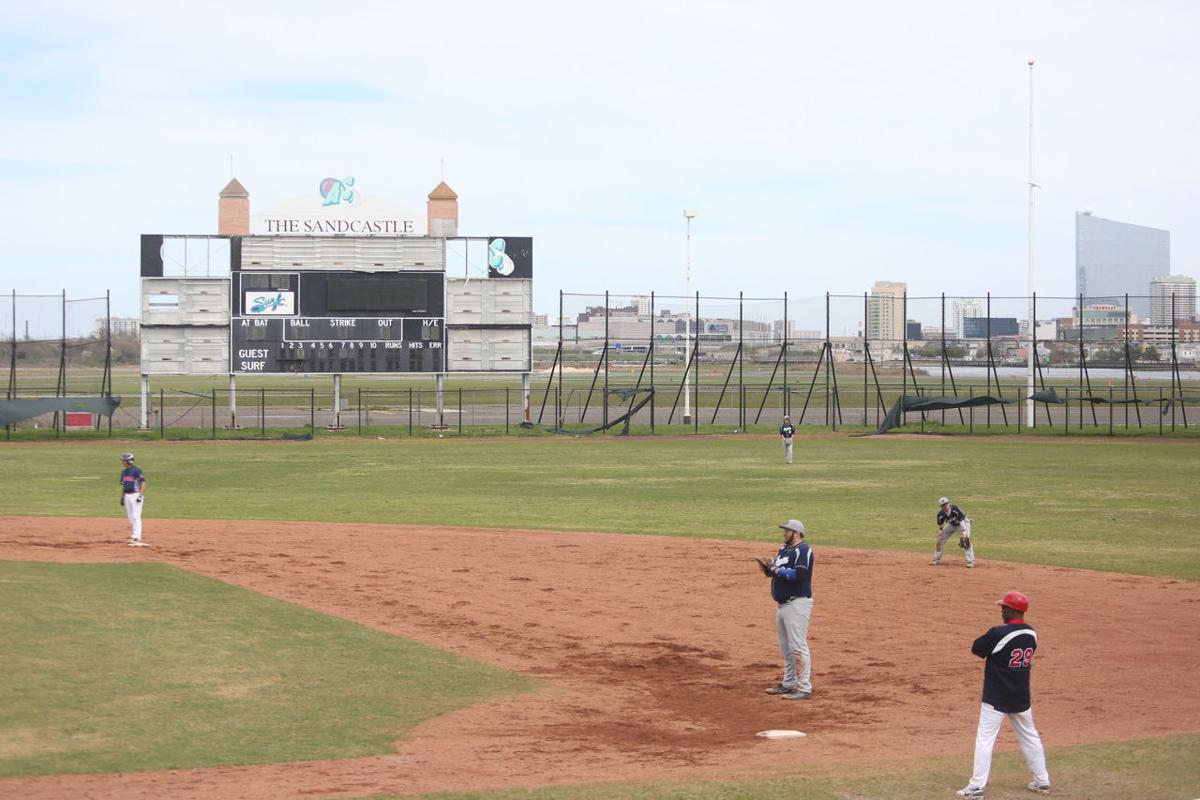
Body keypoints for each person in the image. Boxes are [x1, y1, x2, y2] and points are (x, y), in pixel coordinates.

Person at [956, 591, 1051, 799]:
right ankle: (1042, 781)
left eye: (1003, 608)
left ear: (1011, 610)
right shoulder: (1031, 634)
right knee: (1030, 736)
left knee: (985, 739)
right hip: (1021, 696)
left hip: (996, 697)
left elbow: (977, 648)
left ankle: (976, 787)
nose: (1001, 611)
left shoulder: (998, 633)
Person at [755, 519, 814, 700]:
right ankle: (789, 684)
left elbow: (800, 574)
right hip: (782, 605)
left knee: (798, 647)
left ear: (796, 533)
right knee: (786, 648)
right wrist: (768, 569)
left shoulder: (803, 550)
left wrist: (777, 570)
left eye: (787, 531)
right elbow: (776, 571)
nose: (784, 533)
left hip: (797, 604)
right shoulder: (783, 550)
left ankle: (804, 688)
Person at [932, 496, 975, 568]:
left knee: (965, 541)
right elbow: (941, 527)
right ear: (941, 507)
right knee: (939, 540)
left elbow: (962, 522)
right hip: (952, 525)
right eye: (943, 505)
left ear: (948, 503)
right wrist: (940, 534)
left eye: (946, 504)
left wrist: (964, 533)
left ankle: (971, 561)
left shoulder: (955, 509)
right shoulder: (940, 515)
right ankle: (937, 559)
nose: (945, 506)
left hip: (964, 523)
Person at [119, 452, 148, 547]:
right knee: (130, 517)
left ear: (129, 461)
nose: (123, 462)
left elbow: (143, 483)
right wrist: (122, 497)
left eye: (124, 460)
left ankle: (136, 536)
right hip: (127, 496)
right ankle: (134, 535)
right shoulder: (123, 472)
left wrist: (140, 495)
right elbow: (123, 485)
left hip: (136, 495)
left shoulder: (137, 471)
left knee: (136, 516)